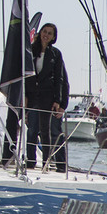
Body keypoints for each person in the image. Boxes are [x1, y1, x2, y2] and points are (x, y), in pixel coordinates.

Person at [24, 22, 70, 171]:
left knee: (52, 131)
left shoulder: (56, 54)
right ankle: (30, 162)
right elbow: (26, 76)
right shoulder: (30, 51)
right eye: (45, 31)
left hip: (49, 99)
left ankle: (56, 164)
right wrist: (24, 96)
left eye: (50, 33)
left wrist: (60, 101)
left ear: (53, 37)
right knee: (32, 130)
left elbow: (60, 79)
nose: (46, 35)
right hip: (33, 98)